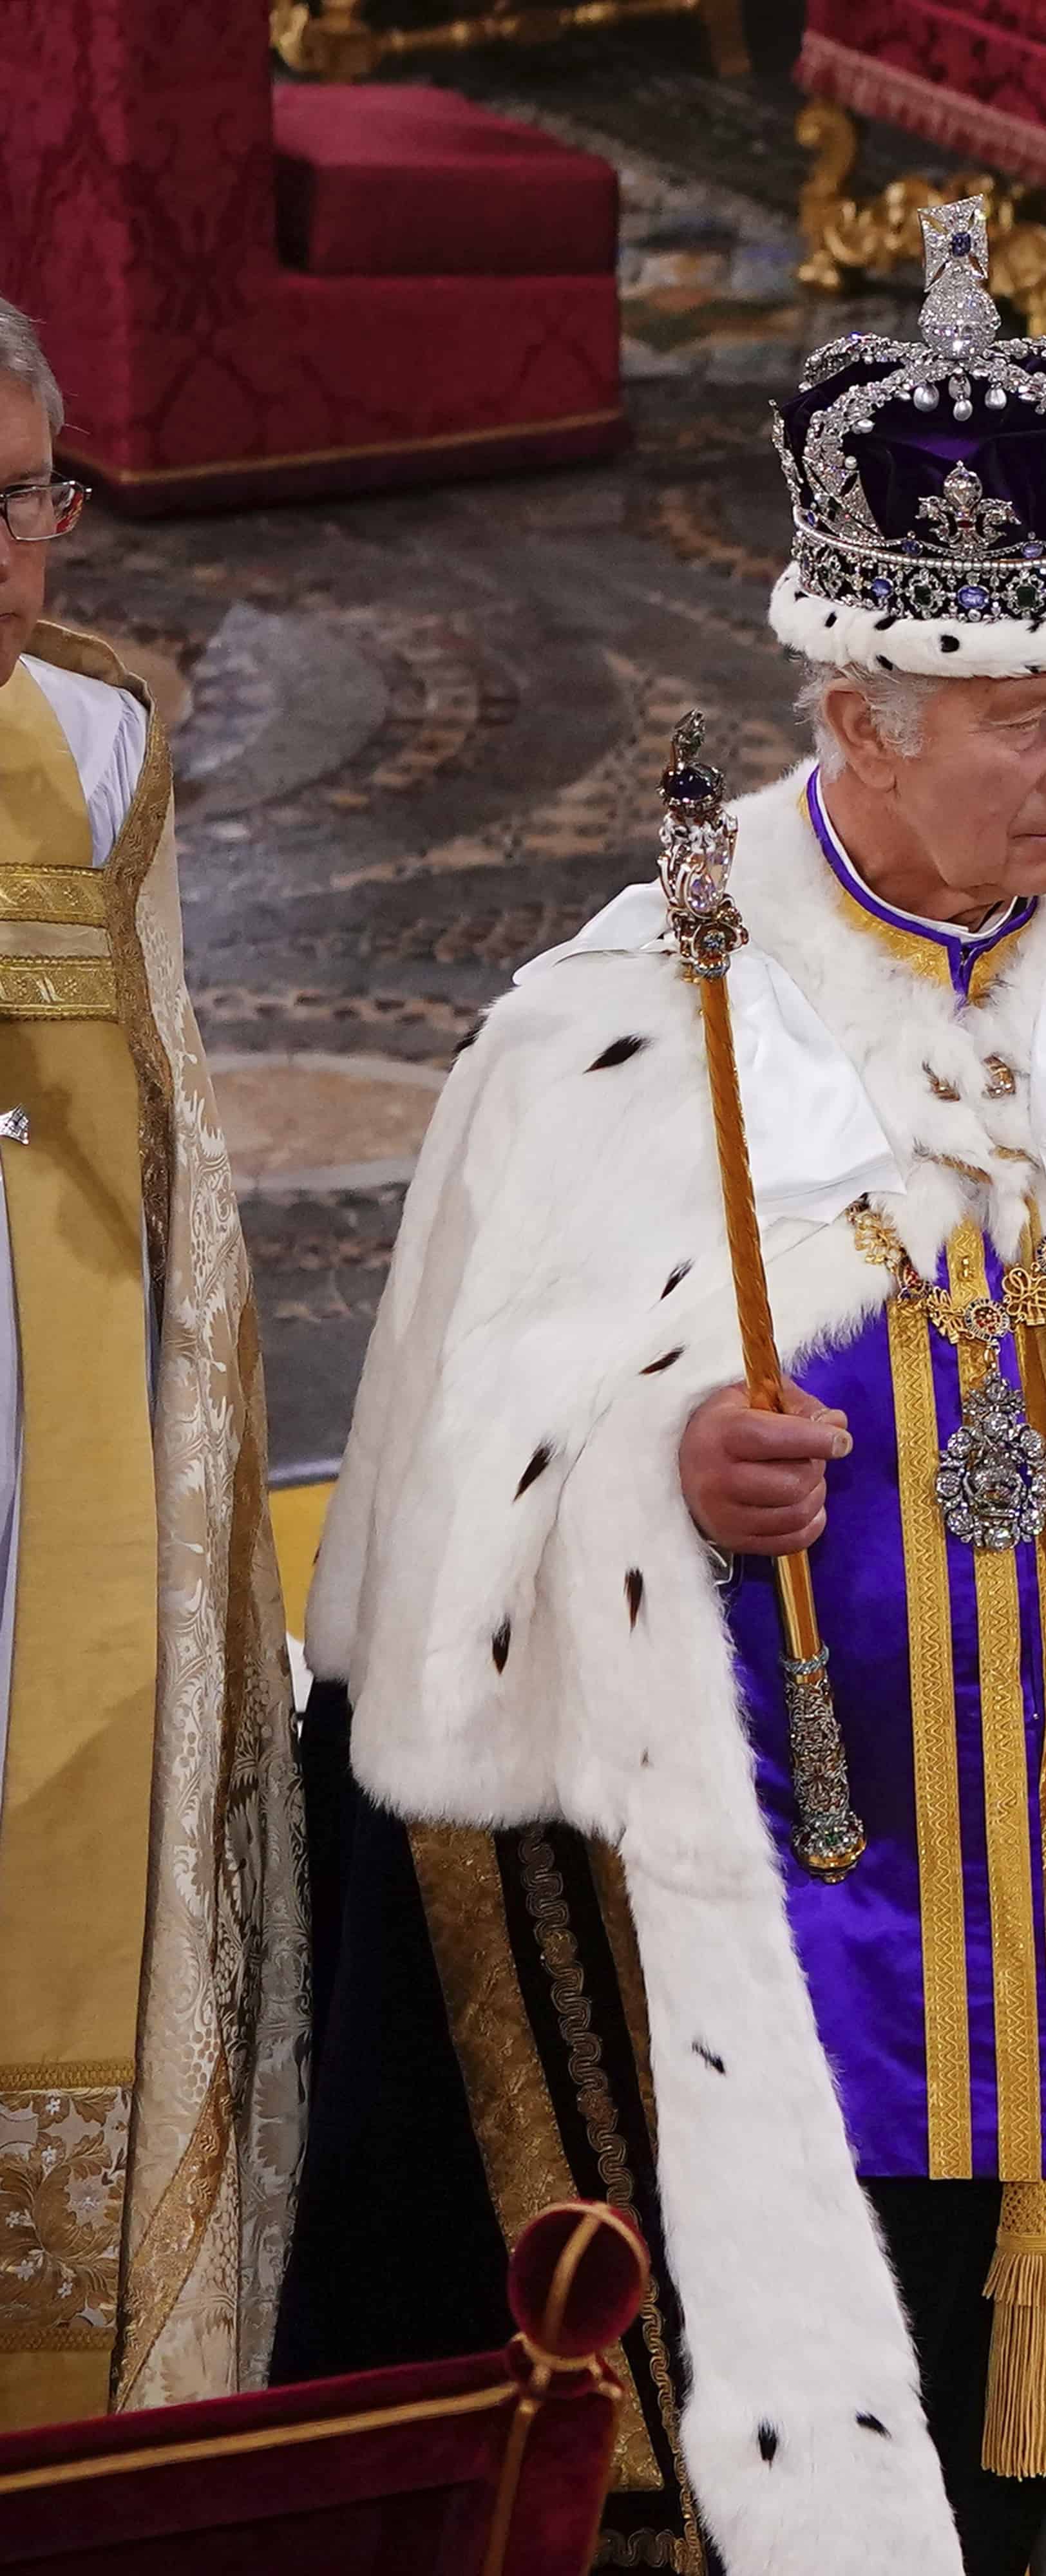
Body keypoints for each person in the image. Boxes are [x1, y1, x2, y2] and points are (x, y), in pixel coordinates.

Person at [281, 209, 1046, 2576]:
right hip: (797, 1949)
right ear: (857, 721)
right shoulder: (632, 1021)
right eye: (1024, 721)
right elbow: (460, 1543)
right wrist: (665, 1470)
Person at [0, 292, 302, 2433]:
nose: (17, 552)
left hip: (45, 1383)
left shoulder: (89, 736)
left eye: (34, 500)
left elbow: (158, 1115)